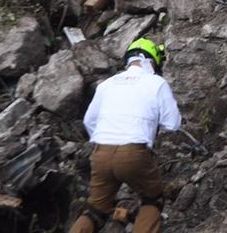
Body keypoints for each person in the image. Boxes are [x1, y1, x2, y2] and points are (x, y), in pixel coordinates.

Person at [70, 37, 181, 233]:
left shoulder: (107, 84)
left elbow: (89, 121)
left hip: (100, 153)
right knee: (152, 199)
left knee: (95, 210)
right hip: (133, 153)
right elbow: (172, 124)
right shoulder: (156, 83)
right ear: (152, 61)